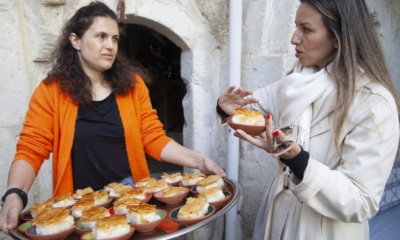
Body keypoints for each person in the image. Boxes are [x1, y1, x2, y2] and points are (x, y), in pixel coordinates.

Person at [0, 1, 225, 235]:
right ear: (75, 40)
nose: (110, 46)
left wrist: (199, 161)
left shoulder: (132, 86)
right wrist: (14, 195)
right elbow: (31, 149)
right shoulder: (51, 92)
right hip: (78, 207)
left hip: (129, 198)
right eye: (101, 36)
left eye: (115, 39)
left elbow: (153, 138)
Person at [217, 0, 400, 239]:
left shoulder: (374, 102)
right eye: (296, 27)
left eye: (307, 29)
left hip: (324, 230)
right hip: (277, 219)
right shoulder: (295, 81)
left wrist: (297, 160)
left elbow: (361, 201)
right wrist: (227, 108)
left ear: (338, 37)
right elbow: (253, 108)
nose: (294, 38)